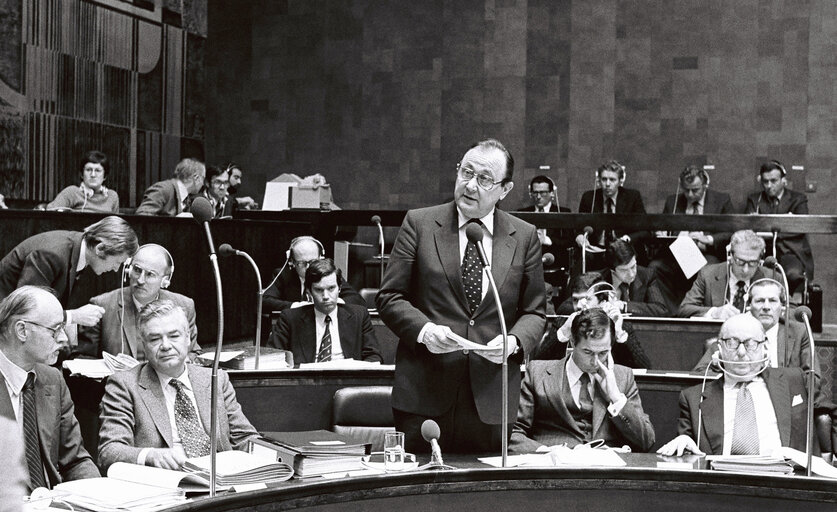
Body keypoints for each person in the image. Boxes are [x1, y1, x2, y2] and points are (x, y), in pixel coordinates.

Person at [376, 138, 546, 454]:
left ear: (505, 189)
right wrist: (425, 332)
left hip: (491, 397)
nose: (470, 185)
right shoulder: (420, 223)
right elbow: (390, 296)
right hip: (424, 393)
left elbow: (535, 312)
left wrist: (514, 342)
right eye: (466, 172)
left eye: (484, 179)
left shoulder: (523, 236)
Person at [98, 300, 258, 471]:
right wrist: (151, 455)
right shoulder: (125, 385)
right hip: (166, 484)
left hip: (222, 480)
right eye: (155, 339)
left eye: (174, 336)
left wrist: (279, 456)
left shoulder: (215, 379)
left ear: (188, 338)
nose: (166, 345)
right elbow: (109, 451)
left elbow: (245, 437)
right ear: (144, 345)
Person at [658, 313, 834, 456]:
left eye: (750, 344)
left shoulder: (795, 380)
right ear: (719, 349)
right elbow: (687, 444)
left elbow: (833, 413)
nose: (741, 352)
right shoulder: (693, 398)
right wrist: (684, 442)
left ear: (764, 346)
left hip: (788, 484)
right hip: (721, 487)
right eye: (732, 343)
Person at [511, 308, 655, 453]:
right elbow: (513, 433)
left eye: (603, 353)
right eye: (588, 352)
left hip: (606, 469)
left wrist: (616, 398)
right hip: (553, 466)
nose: (595, 361)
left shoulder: (623, 376)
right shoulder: (537, 372)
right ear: (573, 343)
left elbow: (646, 441)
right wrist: (544, 451)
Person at [0, 286, 99, 490]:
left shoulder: (53, 379)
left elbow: (75, 461)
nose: (64, 339)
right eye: (55, 329)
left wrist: (99, 497)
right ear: (22, 330)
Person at [0, 216, 139, 327]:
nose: (116, 269)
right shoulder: (52, 254)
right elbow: (28, 309)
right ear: (100, 249)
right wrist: (73, 317)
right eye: (118, 262)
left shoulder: (77, 249)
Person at [76, 244, 199, 362]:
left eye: (150, 274)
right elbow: (84, 358)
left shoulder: (184, 305)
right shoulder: (102, 305)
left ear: (165, 281)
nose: (140, 280)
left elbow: (193, 352)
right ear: (128, 271)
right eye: (137, 270)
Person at [692, 279, 816, 380]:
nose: (766, 307)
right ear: (749, 306)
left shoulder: (799, 332)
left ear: (782, 306)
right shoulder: (733, 329)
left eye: (772, 301)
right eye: (760, 301)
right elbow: (700, 373)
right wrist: (730, 377)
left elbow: (813, 378)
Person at [650, 165, 735, 307]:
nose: (689, 195)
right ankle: (671, 310)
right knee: (655, 267)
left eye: (695, 190)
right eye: (686, 190)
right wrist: (662, 232)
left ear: (705, 185)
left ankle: (703, 309)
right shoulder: (673, 201)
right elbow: (663, 226)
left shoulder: (721, 200)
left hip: (706, 253)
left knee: (710, 268)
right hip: (677, 253)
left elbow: (731, 230)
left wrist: (709, 239)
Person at [270, 259, 381, 364]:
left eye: (331, 288)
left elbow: (373, 356)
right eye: (319, 290)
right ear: (309, 291)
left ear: (340, 288)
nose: (326, 296)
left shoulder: (359, 316)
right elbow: (273, 358)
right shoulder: (290, 319)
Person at [548, 272, 651, 369]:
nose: (579, 306)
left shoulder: (619, 325)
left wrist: (619, 332)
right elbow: (539, 363)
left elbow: (644, 367)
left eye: (587, 299)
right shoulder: (564, 321)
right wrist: (564, 332)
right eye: (575, 300)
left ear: (603, 302)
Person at [745, 160, 814, 295]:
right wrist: (784, 223)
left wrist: (763, 226)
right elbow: (749, 228)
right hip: (762, 251)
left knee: (792, 274)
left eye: (773, 181)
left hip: (790, 251)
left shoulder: (798, 199)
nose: (769, 186)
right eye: (765, 181)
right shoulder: (754, 200)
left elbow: (799, 228)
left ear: (784, 180)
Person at [678, 230, 768, 319]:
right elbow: (684, 309)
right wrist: (714, 312)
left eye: (752, 263)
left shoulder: (771, 277)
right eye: (740, 261)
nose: (745, 270)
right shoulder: (708, 274)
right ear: (730, 256)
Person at [262, 236, 364, 313]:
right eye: (301, 263)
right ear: (291, 262)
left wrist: (334, 302)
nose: (308, 268)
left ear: (321, 258)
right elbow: (264, 302)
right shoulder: (283, 275)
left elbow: (357, 300)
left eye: (312, 262)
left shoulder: (330, 274)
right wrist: (297, 306)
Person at [575, 160, 648, 263]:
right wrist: (579, 236)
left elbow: (645, 230)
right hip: (596, 250)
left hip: (623, 250)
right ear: (599, 181)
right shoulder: (589, 197)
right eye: (604, 179)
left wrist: (628, 238)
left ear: (620, 181)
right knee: (581, 260)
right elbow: (579, 226)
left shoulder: (632, 197)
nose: (607, 184)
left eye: (612, 180)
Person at [517, 175, 573, 288]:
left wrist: (546, 240)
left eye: (543, 193)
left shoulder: (563, 213)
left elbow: (569, 241)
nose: (538, 197)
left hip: (556, 267)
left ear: (552, 193)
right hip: (529, 268)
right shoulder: (523, 213)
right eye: (535, 193)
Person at [600, 239, 670, 316]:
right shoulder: (599, 279)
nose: (631, 274)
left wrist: (624, 306)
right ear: (613, 270)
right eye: (624, 270)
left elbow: (660, 309)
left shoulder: (647, 275)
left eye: (633, 266)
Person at [46, 150, 120, 213]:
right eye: (88, 170)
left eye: (97, 170)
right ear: (82, 174)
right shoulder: (72, 192)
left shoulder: (112, 196)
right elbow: (49, 213)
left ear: (105, 176)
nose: (93, 175)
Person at [135, 158, 206, 216]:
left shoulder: (187, 198)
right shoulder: (163, 189)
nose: (203, 184)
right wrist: (175, 221)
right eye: (203, 178)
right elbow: (142, 217)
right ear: (196, 177)